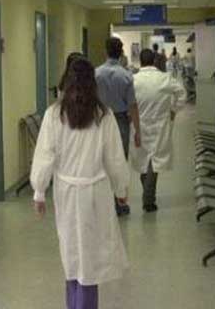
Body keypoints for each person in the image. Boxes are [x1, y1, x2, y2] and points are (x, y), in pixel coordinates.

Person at [30, 58, 130, 309]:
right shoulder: (103, 115)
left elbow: (44, 155)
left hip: (66, 193)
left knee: (72, 255)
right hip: (95, 194)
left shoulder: (54, 115)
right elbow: (115, 158)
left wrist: (39, 191)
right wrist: (121, 189)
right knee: (89, 261)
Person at [129, 49, 187, 212]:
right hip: (160, 125)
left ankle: (148, 196)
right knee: (153, 161)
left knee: (144, 161)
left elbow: (127, 101)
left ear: (140, 61)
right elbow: (182, 93)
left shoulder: (133, 80)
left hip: (139, 125)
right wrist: (174, 110)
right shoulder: (164, 78)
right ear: (154, 61)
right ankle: (148, 199)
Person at [96, 37, 141, 216]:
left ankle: (103, 203)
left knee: (101, 159)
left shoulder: (96, 74)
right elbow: (132, 105)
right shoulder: (126, 75)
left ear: (105, 52)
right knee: (119, 160)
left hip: (100, 119)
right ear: (121, 53)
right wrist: (137, 130)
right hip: (121, 120)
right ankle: (119, 202)